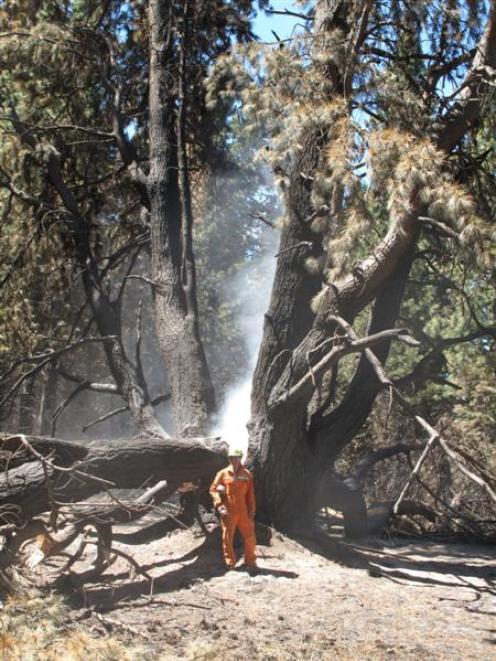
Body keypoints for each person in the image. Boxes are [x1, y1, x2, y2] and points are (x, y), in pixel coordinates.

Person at [209, 449, 257, 571]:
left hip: (244, 511)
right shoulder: (223, 473)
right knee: (227, 537)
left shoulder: (246, 474)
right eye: (232, 458)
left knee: (250, 536)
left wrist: (252, 509)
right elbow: (213, 489)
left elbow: (250, 494)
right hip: (228, 510)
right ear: (229, 459)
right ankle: (230, 563)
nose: (235, 460)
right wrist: (220, 505)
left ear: (240, 458)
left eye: (237, 457)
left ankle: (251, 562)